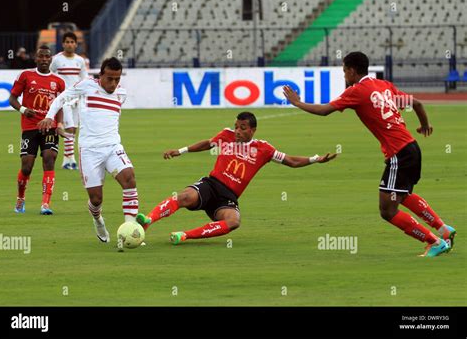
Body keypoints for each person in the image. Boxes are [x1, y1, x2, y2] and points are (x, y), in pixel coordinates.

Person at [283, 51, 456, 257]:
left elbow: (324, 110)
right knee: (401, 195)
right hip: (411, 147)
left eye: (345, 71)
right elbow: (417, 103)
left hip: (398, 154)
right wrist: (424, 125)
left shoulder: (356, 91)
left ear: (352, 71)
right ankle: (443, 229)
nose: (344, 76)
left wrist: (297, 103)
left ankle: (434, 241)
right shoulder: (384, 85)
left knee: (387, 210)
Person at [136, 111, 336, 245]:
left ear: (253, 130)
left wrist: (315, 159)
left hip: (228, 197)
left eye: (242, 128)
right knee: (184, 197)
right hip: (212, 184)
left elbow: (291, 161)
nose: (237, 131)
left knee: (233, 222)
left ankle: (184, 236)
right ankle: (148, 220)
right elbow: (208, 143)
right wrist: (181, 150)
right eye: (236, 127)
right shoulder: (226, 135)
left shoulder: (264, 149)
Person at [38, 57, 138, 243]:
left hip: (113, 147)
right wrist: (50, 117)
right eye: (110, 78)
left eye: (117, 79)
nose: (114, 83)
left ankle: (129, 230)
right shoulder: (86, 86)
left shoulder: (121, 94)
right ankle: (97, 219)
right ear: (100, 75)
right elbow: (61, 98)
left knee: (129, 179)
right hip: (89, 151)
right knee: (96, 199)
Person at [9, 45, 66, 215]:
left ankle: (45, 204)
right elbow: (12, 98)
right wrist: (23, 110)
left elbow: (60, 106)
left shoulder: (58, 81)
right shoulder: (26, 75)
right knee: (27, 166)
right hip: (29, 127)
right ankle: (20, 198)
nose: (44, 59)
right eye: (41, 56)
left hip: (50, 126)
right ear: (36, 58)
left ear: (51, 59)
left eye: (47, 57)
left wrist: (60, 125)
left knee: (49, 158)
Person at [50, 32, 88, 170]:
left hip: (77, 99)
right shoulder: (56, 59)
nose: (70, 44)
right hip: (64, 98)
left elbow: (84, 79)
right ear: (63, 44)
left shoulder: (80, 60)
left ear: (76, 44)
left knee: (75, 129)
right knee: (69, 127)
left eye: (72, 42)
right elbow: (50, 76)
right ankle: (70, 159)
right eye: (67, 42)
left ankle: (68, 158)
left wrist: (83, 95)